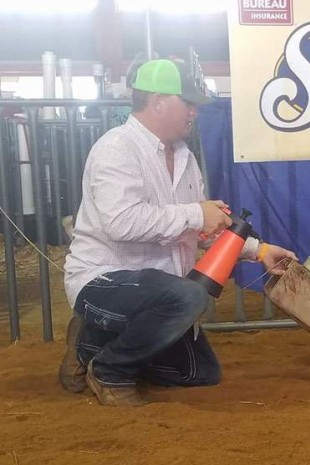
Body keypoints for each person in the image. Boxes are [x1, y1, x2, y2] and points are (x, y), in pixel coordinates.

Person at [58, 59, 297, 407]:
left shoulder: (185, 156)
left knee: (200, 373)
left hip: (160, 287)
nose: (193, 113)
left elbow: (200, 228)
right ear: (158, 102)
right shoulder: (116, 148)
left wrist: (259, 251)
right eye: (187, 104)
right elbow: (121, 223)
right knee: (189, 297)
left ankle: (93, 343)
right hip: (102, 280)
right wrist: (194, 213)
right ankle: (109, 370)